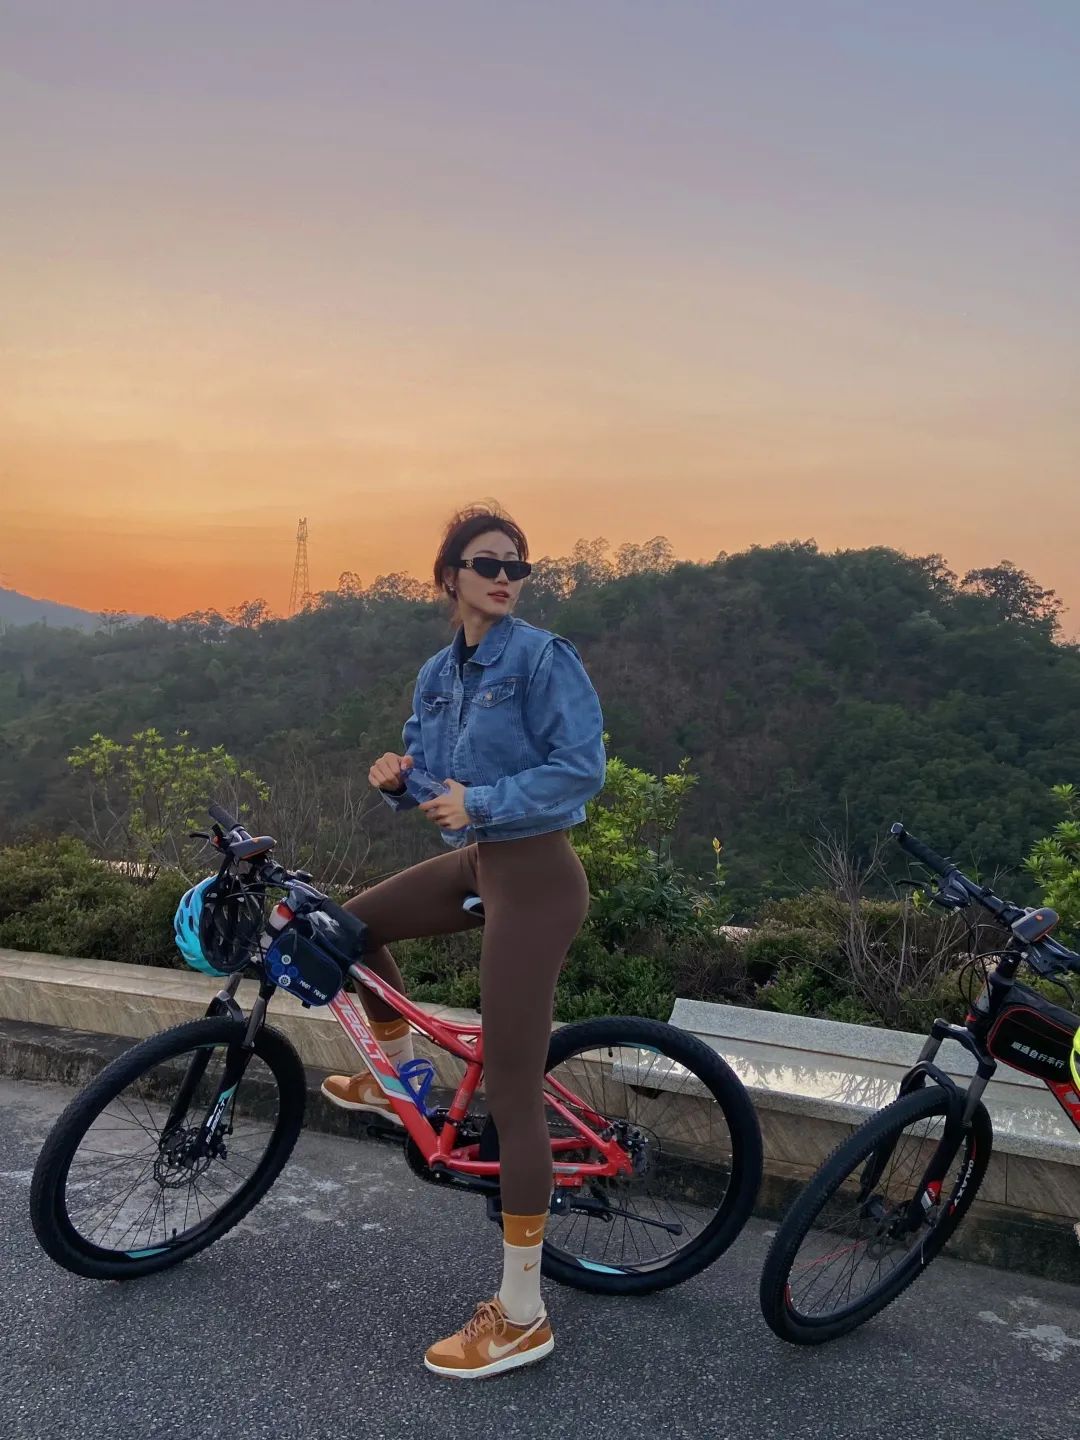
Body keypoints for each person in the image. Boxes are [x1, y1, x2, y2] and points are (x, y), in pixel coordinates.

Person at [322, 504, 606, 1379]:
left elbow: (581, 769)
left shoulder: (542, 658)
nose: (505, 577)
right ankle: (402, 1081)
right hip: (483, 862)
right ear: (450, 576)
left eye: (517, 565)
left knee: (512, 1090)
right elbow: (435, 783)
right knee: (349, 932)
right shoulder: (438, 673)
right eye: (488, 563)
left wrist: (478, 803)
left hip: (538, 877)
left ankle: (522, 1315)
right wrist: (398, 780)